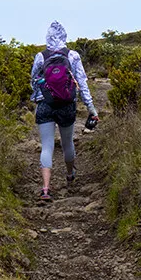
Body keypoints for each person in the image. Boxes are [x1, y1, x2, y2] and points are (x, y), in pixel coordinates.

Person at [30, 21, 99, 201]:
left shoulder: (41, 56)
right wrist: (91, 108)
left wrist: (40, 95)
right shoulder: (73, 56)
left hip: (45, 104)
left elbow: (33, 80)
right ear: (64, 36)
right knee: (67, 142)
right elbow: (82, 83)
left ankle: (45, 189)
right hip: (67, 105)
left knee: (47, 146)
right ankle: (70, 175)